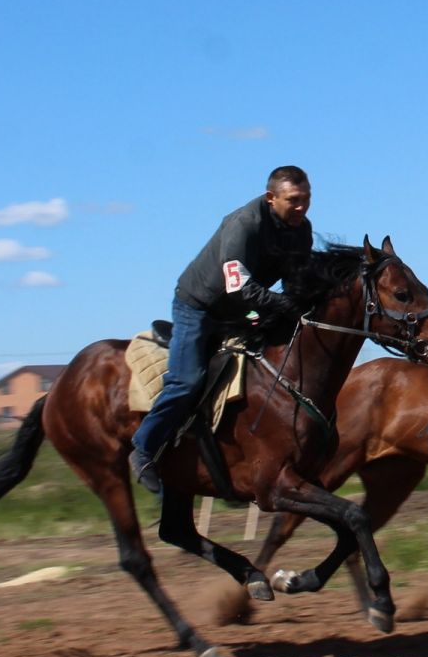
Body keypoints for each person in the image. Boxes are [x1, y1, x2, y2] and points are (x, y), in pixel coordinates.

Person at [129, 166, 314, 491]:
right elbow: (238, 287)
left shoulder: (302, 229)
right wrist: (280, 304)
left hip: (243, 309)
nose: (302, 207)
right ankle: (144, 448)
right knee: (187, 381)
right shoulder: (245, 224)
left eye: (307, 199)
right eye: (294, 200)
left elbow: (295, 282)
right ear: (271, 198)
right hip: (199, 307)